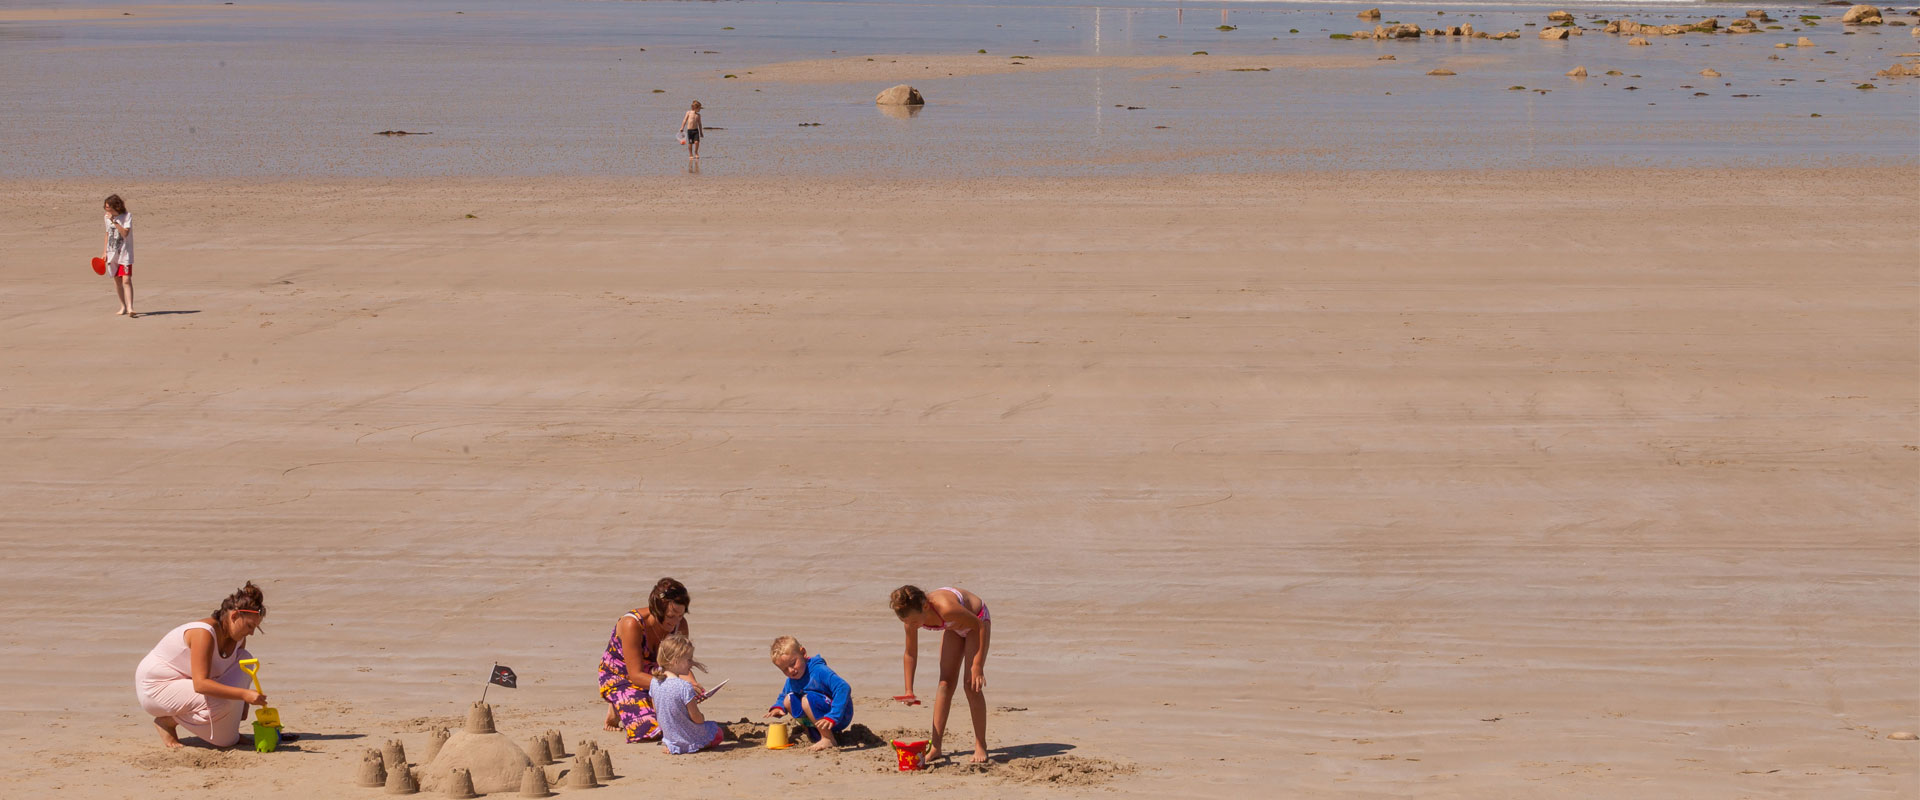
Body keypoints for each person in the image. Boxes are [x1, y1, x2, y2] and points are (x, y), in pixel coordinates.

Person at [135, 582, 271, 748]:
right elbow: (200, 684)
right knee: (225, 736)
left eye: (255, 628)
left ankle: (227, 727)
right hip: (156, 687)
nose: (251, 632)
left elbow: (232, 674)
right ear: (234, 616)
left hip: (186, 683)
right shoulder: (203, 633)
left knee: (245, 660)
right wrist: (243, 695)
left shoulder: (238, 638)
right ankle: (168, 721)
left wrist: (242, 705)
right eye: (250, 626)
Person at [891, 585, 992, 763]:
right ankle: (936, 747)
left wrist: (977, 665)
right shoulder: (910, 620)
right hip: (954, 627)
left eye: (914, 622)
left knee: (971, 685)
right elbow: (910, 654)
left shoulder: (947, 608)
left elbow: (979, 626)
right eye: (907, 622)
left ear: (925, 607)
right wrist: (909, 690)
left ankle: (980, 745)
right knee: (945, 683)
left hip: (976, 621)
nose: (911, 626)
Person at [597, 577, 691, 742]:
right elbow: (635, 675)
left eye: (680, 615)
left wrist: (692, 684)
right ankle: (616, 706)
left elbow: (680, 663)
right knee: (649, 728)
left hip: (659, 674)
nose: (676, 621)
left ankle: (641, 700)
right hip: (622, 675)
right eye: (671, 615)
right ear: (657, 610)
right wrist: (673, 685)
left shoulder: (680, 624)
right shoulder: (631, 624)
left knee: (686, 705)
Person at [764, 636, 853, 751]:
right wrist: (779, 707)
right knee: (788, 700)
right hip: (819, 715)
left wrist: (833, 716)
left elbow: (843, 687)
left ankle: (828, 738)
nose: (791, 671)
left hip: (838, 715)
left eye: (793, 663)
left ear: (803, 653)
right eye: (785, 669)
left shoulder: (819, 671)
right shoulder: (792, 679)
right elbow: (783, 694)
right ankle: (813, 733)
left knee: (807, 700)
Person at [648, 634, 723, 754]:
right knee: (717, 732)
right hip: (686, 736)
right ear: (675, 661)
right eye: (689, 660)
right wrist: (702, 717)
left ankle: (672, 745)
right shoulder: (684, 686)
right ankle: (691, 746)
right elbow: (696, 718)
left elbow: (657, 709)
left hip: (669, 734)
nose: (692, 663)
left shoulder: (655, 681)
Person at [101, 194, 135, 317]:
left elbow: (125, 233)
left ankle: (131, 308)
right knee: (117, 281)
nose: (106, 210)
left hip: (125, 253)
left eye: (108, 207)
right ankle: (123, 306)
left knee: (126, 279)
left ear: (116, 206)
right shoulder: (106, 217)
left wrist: (114, 221)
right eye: (105, 207)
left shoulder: (127, 216)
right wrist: (104, 252)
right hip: (111, 253)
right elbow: (107, 234)